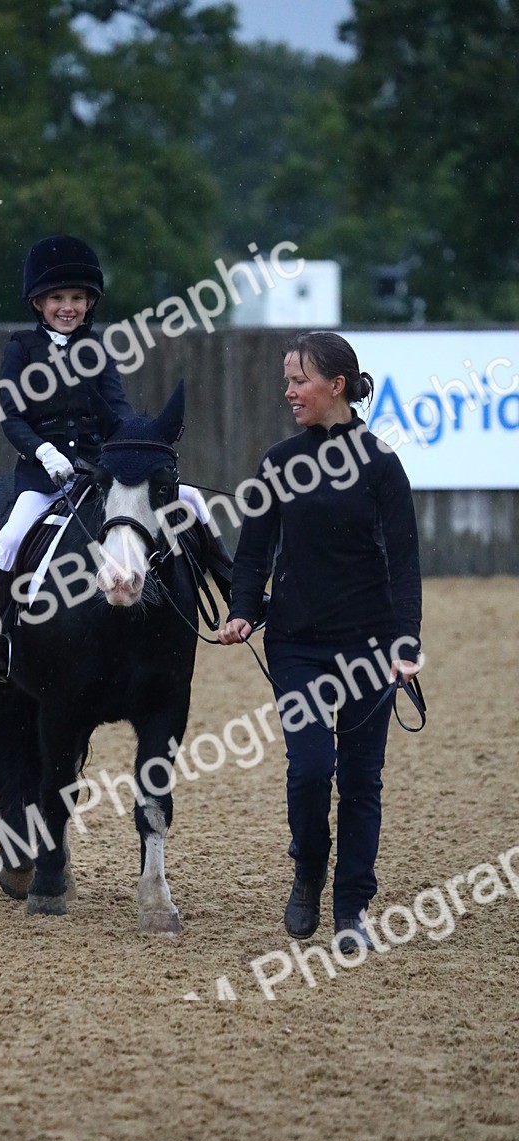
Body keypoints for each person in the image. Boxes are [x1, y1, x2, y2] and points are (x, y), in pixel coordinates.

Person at [218, 331, 422, 954]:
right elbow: (253, 553)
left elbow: (406, 565)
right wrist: (243, 611)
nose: (289, 391)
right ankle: (308, 869)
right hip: (297, 644)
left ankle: (352, 905)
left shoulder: (383, 464)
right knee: (310, 769)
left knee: (362, 780)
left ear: (336, 386)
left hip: (369, 647)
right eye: (287, 379)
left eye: (299, 380)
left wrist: (406, 643)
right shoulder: (279, 462)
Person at [0, 233, 228, 683]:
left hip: (101, 470)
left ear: (90, 303)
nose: (67, 307)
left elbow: (118, 409)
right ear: (37, 303)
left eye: (77, 298)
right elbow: (11, 416)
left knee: (194, 504)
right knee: (8, 540)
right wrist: (43, 451)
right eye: (57, 298)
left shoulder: (98, 350)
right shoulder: (21, 349)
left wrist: (134, 446)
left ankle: (231, 589)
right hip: (42, 474)